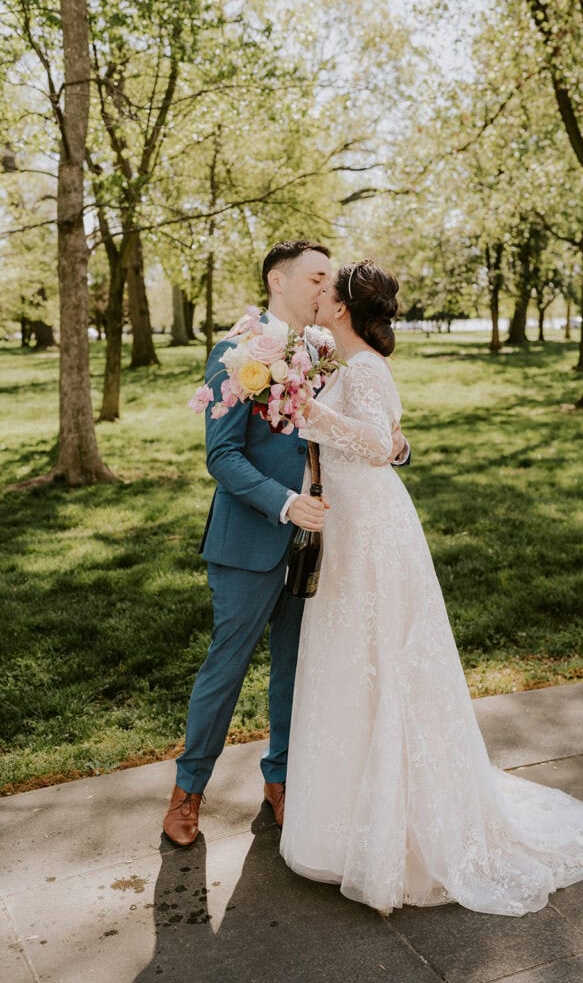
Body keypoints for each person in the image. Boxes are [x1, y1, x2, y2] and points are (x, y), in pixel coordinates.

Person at [280, 259, 583, 916]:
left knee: (381, 659)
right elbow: (387, 440)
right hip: (352, 522)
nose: (317, 299)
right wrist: (314, 410)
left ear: (344, 309)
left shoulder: (363, 369)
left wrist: (305, 413)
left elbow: (379, 444)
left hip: (373, 528)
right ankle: (343, 818)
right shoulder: (343, 366)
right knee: (351, 664)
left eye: (326, 291)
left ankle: (396, 829)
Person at [162, 241, 408, 845]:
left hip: (321, 541)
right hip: (249, 540)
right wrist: (284, 501)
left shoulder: (326, 351)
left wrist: (396, 446)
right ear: (279, 280)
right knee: (226, 668)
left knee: (297, 672)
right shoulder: (236, 351)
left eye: (331, 278)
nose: (327, 287)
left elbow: (365, 427)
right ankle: (188, 792)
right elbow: (221, 455)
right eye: (317, 276)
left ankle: (282, 781)